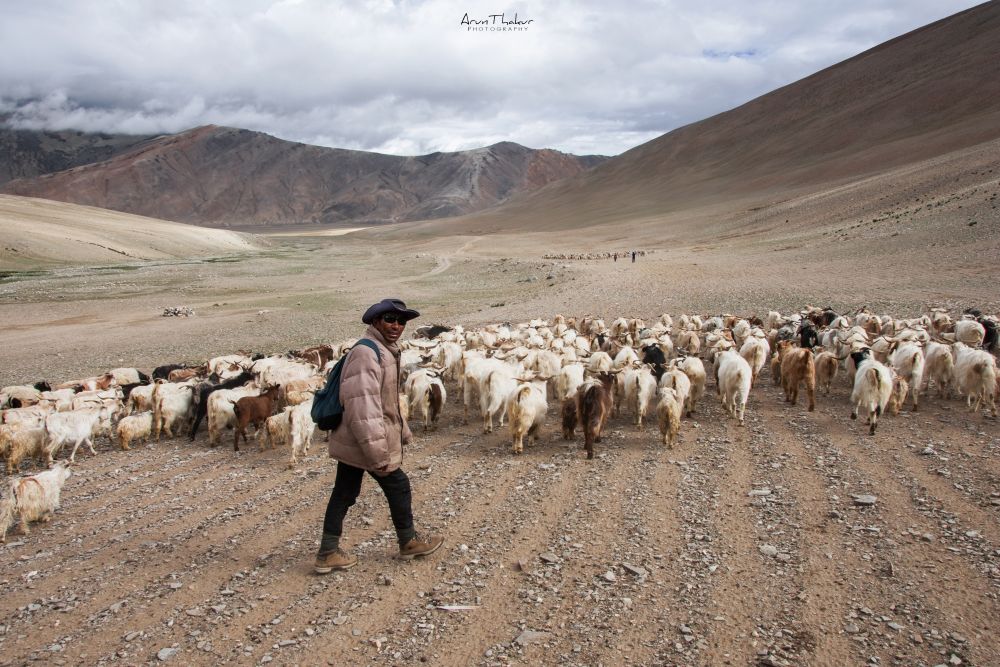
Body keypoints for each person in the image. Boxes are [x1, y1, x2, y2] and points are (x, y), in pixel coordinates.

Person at [315, 298, 444, 573]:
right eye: (389, 319)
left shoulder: (384, 350)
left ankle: (328, 552)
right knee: (397, 484)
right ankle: (408, 541)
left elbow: (386, 402)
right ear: (375, 321)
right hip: (364, 438)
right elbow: (363, 406)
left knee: (345, 492)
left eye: (401, 321)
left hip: (357, 437)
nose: (397, 325)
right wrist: (377, 452)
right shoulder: (367, 352)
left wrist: (402, 430)